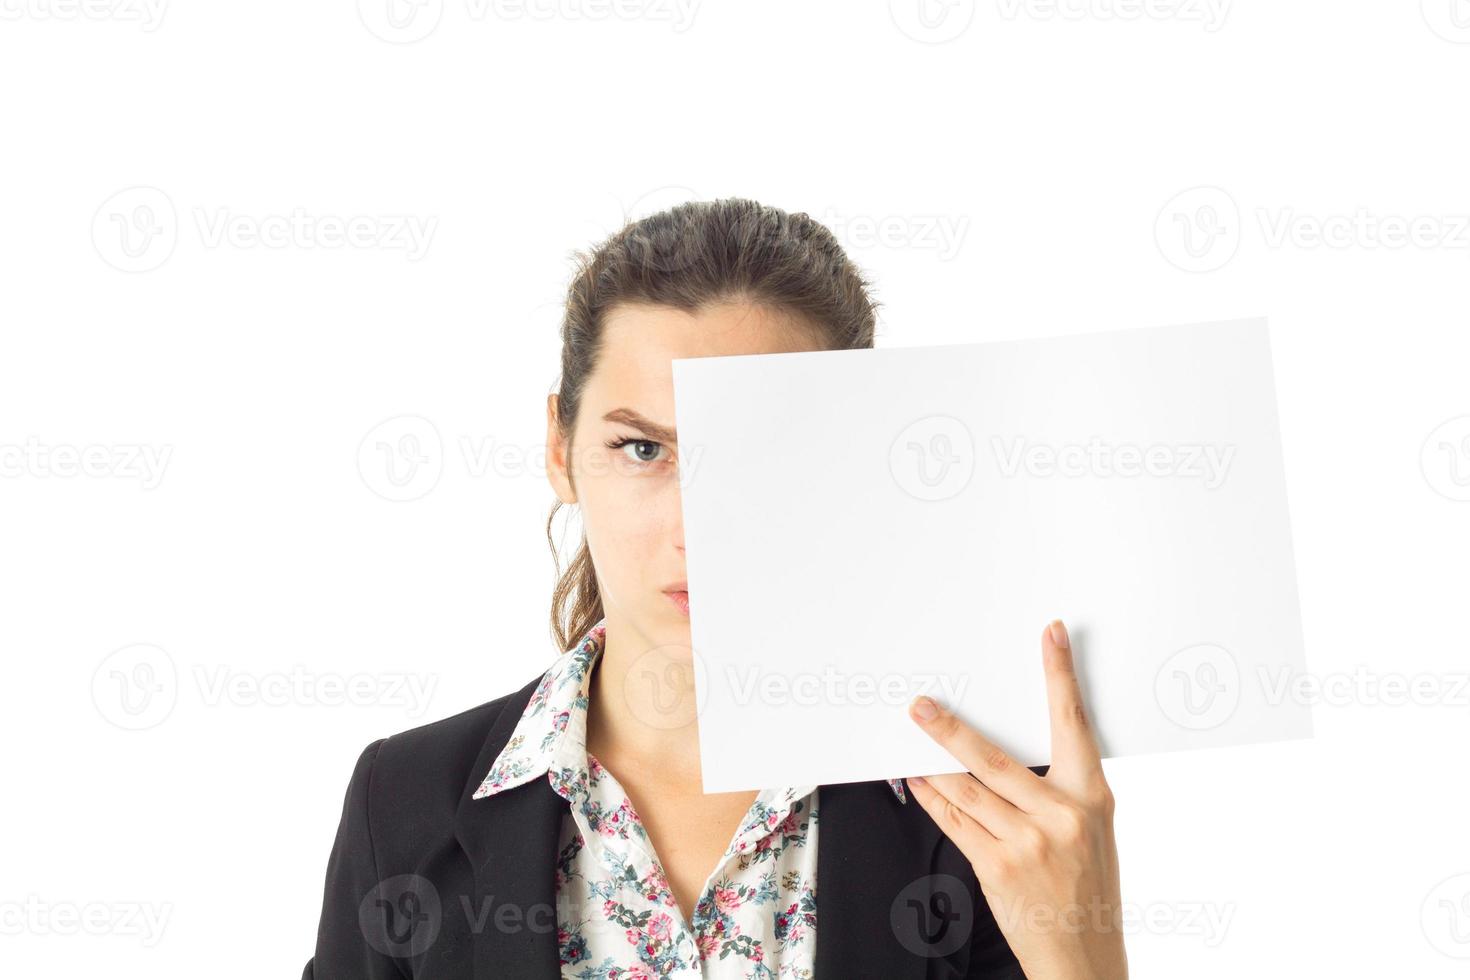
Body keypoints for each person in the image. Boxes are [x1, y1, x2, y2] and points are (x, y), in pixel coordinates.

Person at [304, 198, 1126, 979]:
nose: (699, 529)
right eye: (642, 449)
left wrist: (1080, 959)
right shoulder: (402, 802)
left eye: (765, 454)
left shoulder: (991, 814)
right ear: (560, 448)